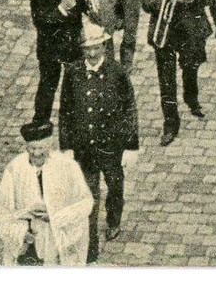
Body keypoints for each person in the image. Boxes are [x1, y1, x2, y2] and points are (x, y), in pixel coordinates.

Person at [58, 20, 139, 261]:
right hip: (85, 149)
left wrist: (131, 146)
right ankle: (90, 248)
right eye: (87, 49)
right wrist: (66, 146)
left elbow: (129, 110)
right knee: (89, 196)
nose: (92, 54)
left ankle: (114, 219)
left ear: (104, 46)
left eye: (96, 48)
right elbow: (66, 111)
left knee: (115, 187)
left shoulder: (117, 73)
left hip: (112, 147)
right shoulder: (72, 73)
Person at [141, 0, 213, 146]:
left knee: (191, 67)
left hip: (190, 29)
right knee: (166, 78)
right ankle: (170, 122)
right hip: (165, 30)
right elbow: (146, 2)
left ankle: (191, 98)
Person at [0, 119, 92, 265]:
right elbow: (0, 208)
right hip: (28, 241)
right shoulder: (15, 168)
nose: (36, 153)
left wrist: (55, 216)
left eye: (41, 148)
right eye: (32, 148)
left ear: (49, 145)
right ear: (26, 147)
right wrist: (19, 234)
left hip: (58, 239)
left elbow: (86, 202)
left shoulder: (68, 166)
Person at [28, 0, 96, 127]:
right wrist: (61, 10)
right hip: (51, 46)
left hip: (73, 42)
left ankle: (78, 118)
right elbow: (40, 21)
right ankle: (41, 120)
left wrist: (90, 8)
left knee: (77, 82)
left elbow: (84, 3)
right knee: (48, 85)